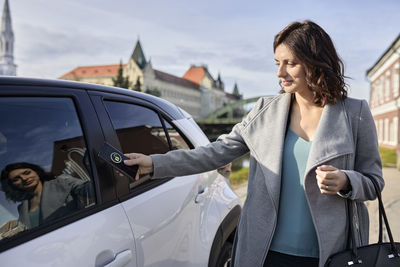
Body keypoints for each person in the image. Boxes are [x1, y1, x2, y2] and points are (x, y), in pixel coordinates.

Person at [124, 21, 383, 267]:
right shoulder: (264, 111)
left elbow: (374, 182)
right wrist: (154, 163)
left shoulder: (355, 113)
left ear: (316, 63)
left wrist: (346, 182)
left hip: (332, 255)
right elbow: (215, 152)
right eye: (277, 63)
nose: (280, 73)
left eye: (290, 63)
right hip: (264, 253)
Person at [0, 162, 90, 231]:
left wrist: (89, 161)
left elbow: (89, 190)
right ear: (13, 185)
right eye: (16, 179)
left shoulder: (62, 182)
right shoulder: (22, 207)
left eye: (27, 173)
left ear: (36, 171)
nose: (24, 178)